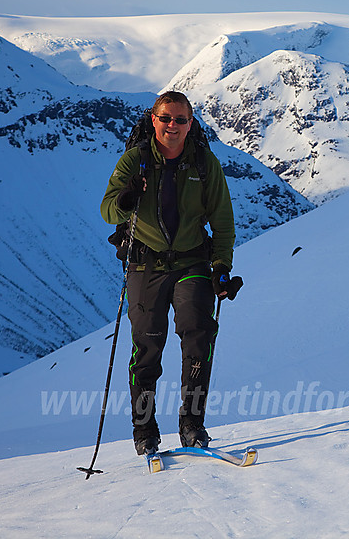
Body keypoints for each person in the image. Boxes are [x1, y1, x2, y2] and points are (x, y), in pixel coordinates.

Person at [101, 91, 236, 455]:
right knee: (147, 347)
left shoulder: (205, 164)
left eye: (180, 120)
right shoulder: (135, 161)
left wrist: (221, 268)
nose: (172, 126)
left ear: (191, 123)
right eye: (166, 119)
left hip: (192, 262)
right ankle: (144, 429)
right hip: (146, 264)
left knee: (198, 336)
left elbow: (222, 220)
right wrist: (126, 199)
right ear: (154, 121)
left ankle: (192, 424)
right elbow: (108, 211)